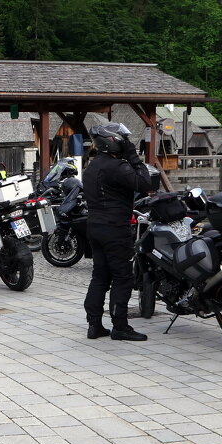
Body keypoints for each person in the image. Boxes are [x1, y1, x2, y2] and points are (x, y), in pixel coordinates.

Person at [82, 122, 152, 341]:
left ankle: (94, 325)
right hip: (115, 228)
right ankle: (120, 327)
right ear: (113, 142)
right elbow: (144, 182)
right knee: (122, 277)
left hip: (94, 226)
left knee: (100, 275)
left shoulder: (91, 167)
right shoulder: (117, 166)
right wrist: (133, 156)